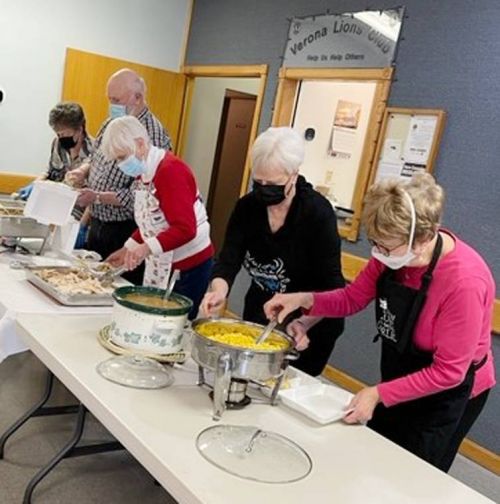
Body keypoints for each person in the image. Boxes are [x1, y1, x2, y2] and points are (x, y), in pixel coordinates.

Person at [264, 173, 496, 472]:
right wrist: (304, 299)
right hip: (404, 373)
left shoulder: (464, 282)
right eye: (376, 244)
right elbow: (352, 298)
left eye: (386, 248)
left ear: (424, 238)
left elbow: (449, 371)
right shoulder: (391, 256)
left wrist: (379, 393)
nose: (379, 255)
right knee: (379, 458)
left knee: (414, 473)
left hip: (448, 393)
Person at [200, 127, 345, 376]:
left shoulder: (317, 213)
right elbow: (228, 260)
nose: (265, 188)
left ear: (293, 175)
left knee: (287, 385)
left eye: (273, 183)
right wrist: (218, 292)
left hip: (309, 320)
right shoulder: (247, 207)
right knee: (249, 376)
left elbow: (332, 286)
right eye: (259, 182)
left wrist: (303, 322)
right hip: (261, 308)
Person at [102, 116, 214, 320]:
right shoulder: (144, 172)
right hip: (166, 260)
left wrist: (145, 249)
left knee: (172, 324)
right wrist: (128, 247)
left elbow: (185, 228)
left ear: (140, 144)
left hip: (189, 265)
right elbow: (151, 221)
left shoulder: (170, 171)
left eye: (122, 157)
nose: (120, 165)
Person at [67, 68, 172, 283]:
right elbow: (96, 156)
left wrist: (96, 196)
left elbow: (142, 195)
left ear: (138, 97)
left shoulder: (152, 133)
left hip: (125, 229)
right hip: (98, 222)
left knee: (116, 287)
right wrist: (83, 170)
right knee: (90, 281)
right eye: (109, 99)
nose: (112, 105)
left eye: (116, 99)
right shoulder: (112, 123)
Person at [17, 102, 93, 246]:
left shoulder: (94, 152)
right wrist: (36, 184)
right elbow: (51, 171)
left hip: (75, 217)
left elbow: (94, 195)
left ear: (79, 129)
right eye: (57, 133)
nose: (60, 137)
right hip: (53, 209)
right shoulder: (58, 144)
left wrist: (81, 227)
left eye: (64, 133)